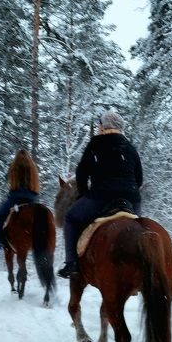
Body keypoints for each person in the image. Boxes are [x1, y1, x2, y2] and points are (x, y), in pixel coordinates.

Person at [58, 110, 143, 278]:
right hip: (132, 199)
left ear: (103, 127)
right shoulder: (130, 147)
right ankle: (141, 267)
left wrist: (84, 194)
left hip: (101, 197)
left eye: (99, 125)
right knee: (140, 229)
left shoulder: (96, 143)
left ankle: (71, 263)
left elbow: (82, 173)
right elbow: (139, 179)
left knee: (71, 218)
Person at [0, 148, 40, 248]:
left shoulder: (14, 167)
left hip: (16, 198)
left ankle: (0, 240)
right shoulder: (33, 168)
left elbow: (7, 179)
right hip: (31, 199)